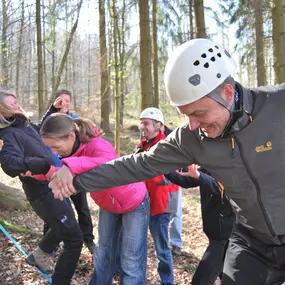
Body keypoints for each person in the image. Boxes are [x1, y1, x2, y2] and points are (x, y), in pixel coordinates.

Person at [49, 38, 285, 285]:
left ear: (227, 93)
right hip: (252, 242)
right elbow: (137, 165)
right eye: (186, 115)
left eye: (199, 113)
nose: (192, 124)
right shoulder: (191, 138)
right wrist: (76, 179)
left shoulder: (277, 106)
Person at [38, 113, 150, 285]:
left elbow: (108, 163)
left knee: (131, 258)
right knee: (103, 253)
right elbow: (61, 173)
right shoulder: (69, 154)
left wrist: (69, 167)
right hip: (108, 205)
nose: (54, 152)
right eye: (50, 148)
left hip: (134, 201)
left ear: (71, 136)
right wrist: (38, 172)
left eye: (56, 146)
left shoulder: (97, 144)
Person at [0, 91, 83, 285]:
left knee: (66, 223)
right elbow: (10, 164)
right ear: (3, 111)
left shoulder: (24, 125)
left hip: (53, 184)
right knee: (74, 239)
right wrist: (41, 166)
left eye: (17, 101)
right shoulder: (7, 134)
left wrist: (53, 110)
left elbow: (40, 130)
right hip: (41, 192)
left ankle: (38, 254)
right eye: (13, 104)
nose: (18, 105)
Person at [41, 89, 95, 253]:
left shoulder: (74, 121)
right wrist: (52, 108)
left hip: (75, 172)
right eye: (61, 100)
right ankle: (49, 247)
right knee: (55, 211)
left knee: (83, 210)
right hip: (55, 173)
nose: (64, 103)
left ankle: (89, 241)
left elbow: (88, 139)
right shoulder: (50, 121)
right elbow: (38, 129)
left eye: (67, 100)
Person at [165, 164, 235, 285]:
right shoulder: (211, 164)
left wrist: (200, 176)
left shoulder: (233, 161)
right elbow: (186, 180)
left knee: (200, 281)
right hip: (216, 232)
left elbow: (220, 187)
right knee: (230, 277)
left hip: (225, 235)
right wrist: (162, 166)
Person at [135, 107, 179, 285]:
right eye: (142, 124)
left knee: (161, 248)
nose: (142, 127)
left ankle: (167, 282)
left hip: (161, 203)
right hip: (143, 201)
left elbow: (165, 176)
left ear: (158, 125)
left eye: (146, 124)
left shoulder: (167, 145)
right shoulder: (143, 144)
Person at [162, 125, 183, 256]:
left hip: (174, 180)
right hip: (156, 181)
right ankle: (163, 241)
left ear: (160, 125)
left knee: (175, 213)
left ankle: (176, 244)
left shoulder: (174, 136)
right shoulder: (147, 138)